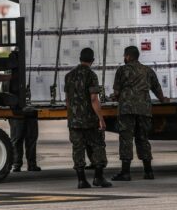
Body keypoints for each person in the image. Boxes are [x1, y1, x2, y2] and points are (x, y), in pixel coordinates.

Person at [111, 46, 169, 181]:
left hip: (127, 109)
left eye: (125, 56)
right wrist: (162, 99)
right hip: (144, 109)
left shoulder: (122, 70)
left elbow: (117, 91)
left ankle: (125, 172)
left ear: (128, 56)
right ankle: (148, 171)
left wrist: (115, 96)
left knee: (126, 139)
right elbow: (156, 88)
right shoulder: (147, 70)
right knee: (143, 138)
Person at [64, 47, 112, 189]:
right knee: (98, 146)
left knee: (77, 149)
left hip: (74, 121)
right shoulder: (91, 75)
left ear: (80, 58)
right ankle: (98, 177)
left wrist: (73, 115)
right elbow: (93, 99)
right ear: (92, 60)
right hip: (90, 121)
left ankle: (81, 180)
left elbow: (67, 100)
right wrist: (101, 119)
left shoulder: (69, 76)